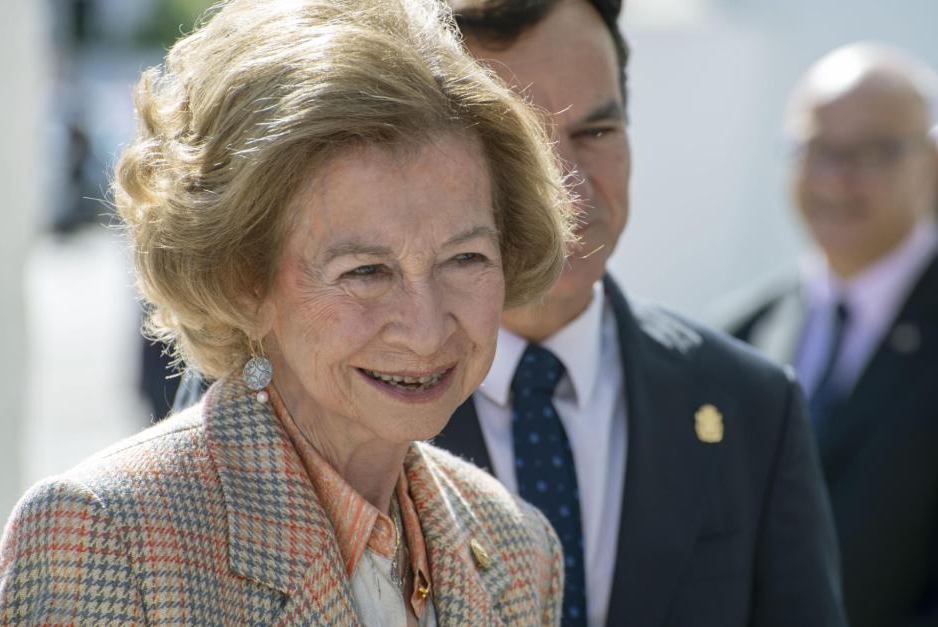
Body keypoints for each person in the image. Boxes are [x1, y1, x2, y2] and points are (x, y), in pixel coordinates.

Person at [175, 1, 847, 624]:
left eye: (597, 130)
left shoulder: (751, 403)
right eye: (519, 141)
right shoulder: (305, 392)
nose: (568, 186)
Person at [0, 0, 575, 624]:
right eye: (365, 272)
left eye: (465, 258)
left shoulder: (519, 550)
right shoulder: (107, 537)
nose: (426, 326)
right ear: (242, 281)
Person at [726, 42, 938, 627]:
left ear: (932, 163)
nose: (835, 180)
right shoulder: (741, 337)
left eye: (872, 153)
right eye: (816, 150)